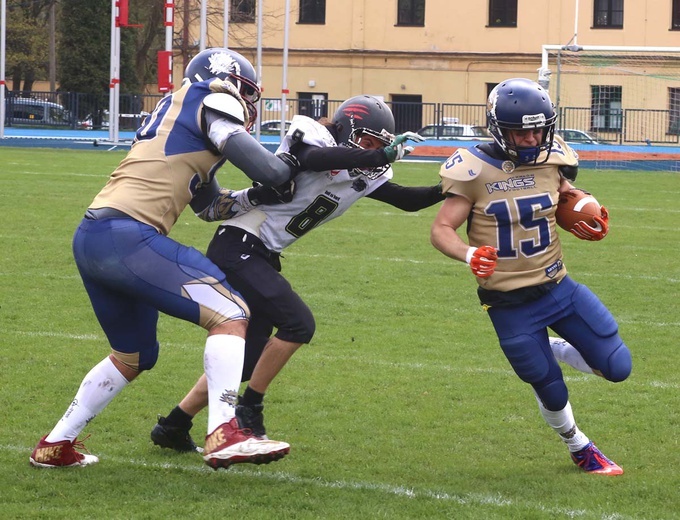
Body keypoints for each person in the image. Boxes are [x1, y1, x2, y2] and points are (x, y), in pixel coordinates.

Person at [29, 47, 308, 470]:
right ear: (228, 81)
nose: (249, 103)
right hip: (127, 236)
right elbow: (269, 171)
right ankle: (225, 431)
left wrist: (254, 197)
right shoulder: (211, 95)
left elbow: (209, 207)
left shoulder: (181, 117)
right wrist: (288, 165)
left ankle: (55, 444)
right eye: (247, 92)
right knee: (231, 312)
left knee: (134, 355)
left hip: (94, 236)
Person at [149, 95, 445, 453]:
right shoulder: (314, 134)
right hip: (239, 245)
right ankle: (248, 411)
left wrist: (454, 187)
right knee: (299, 324)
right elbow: (314, 159)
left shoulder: (368, 172)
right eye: (367, 141)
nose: (374, 151)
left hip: (260, 253)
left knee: (246, 360)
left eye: (380, 145)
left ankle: (174, 424)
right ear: (348, 129)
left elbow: (407, 199)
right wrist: (375, 155)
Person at [430, 78, 632, 476]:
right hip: (509, 303)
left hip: (559, 287)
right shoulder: (472, 170)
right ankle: (580, 448)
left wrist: (584, 205)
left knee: (617, 366)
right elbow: (440, 230)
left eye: (539, 128)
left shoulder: (553, 157)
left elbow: (563, 190)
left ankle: (555, 346)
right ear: (498, 128)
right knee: (549, 386)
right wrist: (469, 253)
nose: (532, 137)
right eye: (521, 131)